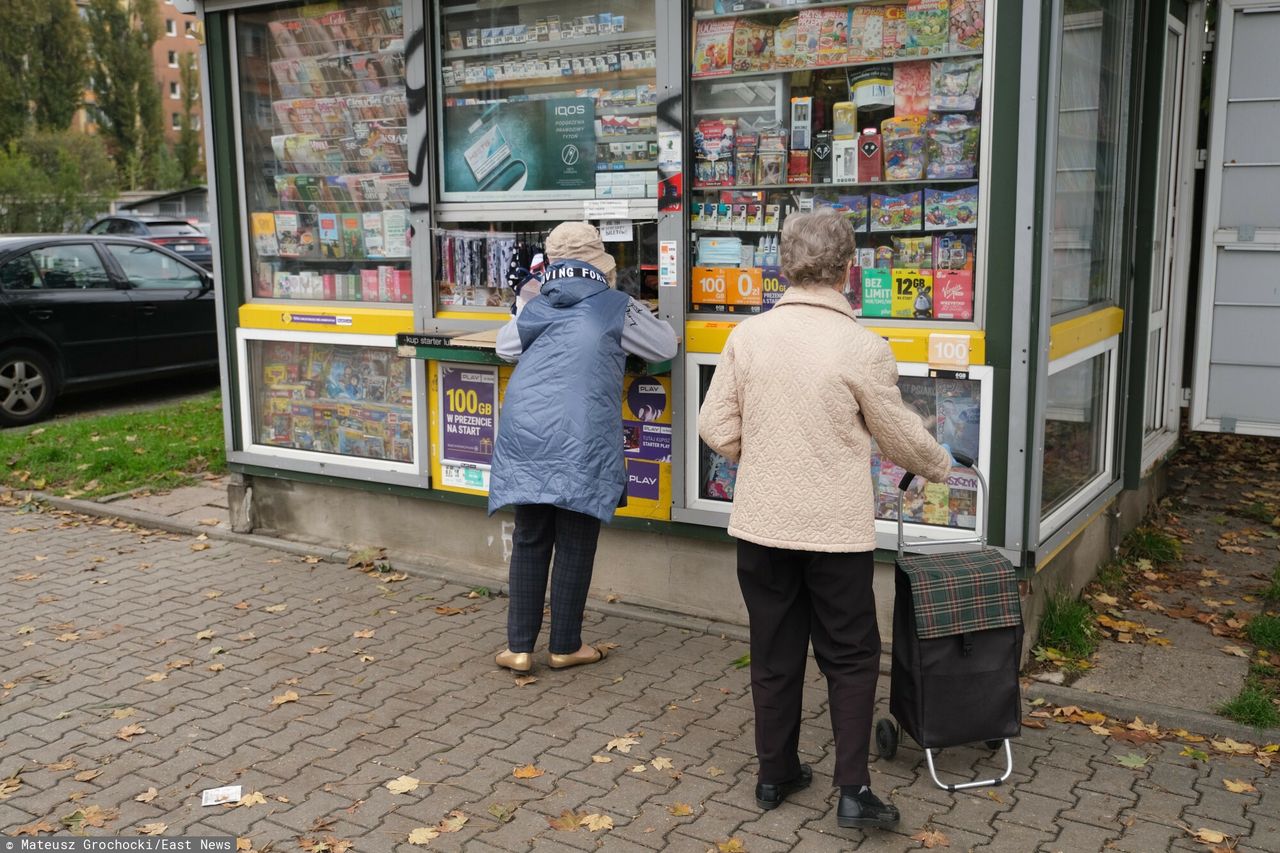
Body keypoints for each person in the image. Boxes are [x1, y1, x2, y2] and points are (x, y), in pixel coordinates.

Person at [697, 209, 954, 831]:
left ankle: (774, 772)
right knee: (850, 655)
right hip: (833, 532)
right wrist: (942, 465)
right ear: (849, 267)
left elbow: (714, 427)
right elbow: (899, 439)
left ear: (784, 264)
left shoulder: (747, 337)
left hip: (761, 525)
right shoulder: (862, 346)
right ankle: (853, 790)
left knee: (773, 650)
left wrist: (762, 455)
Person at [489, 222, 678, 673]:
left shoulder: (535, 302)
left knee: (532, 536)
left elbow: (504, 346)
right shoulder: (616, 305)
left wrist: (526, 302)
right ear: (600, 265)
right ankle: (565, 646)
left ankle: (518, 648)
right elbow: (664, 344)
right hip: (581, 433)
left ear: (552, 262)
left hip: (527, 430)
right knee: (575, 539)